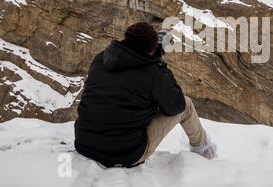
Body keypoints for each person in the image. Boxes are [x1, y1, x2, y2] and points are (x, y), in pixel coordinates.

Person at [74, 22, 217, 168]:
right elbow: (176, 106)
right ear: (152, 48)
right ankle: (203, 149)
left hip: (84, 142)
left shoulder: (101, 58)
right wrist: (160, 65)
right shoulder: (154, 72)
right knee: (186, 105)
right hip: (125, 153)